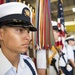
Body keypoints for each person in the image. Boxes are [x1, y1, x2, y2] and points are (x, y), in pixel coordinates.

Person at [0, 2, 37, 75]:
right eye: (20, 30)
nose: (28, 37)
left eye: (28, 31)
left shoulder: (29, 64)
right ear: (1, 35)